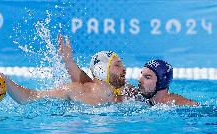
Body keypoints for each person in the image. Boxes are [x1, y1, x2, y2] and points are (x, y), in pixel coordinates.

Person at [58, 34, 199, 106]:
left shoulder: (173, 103)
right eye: (142, 75)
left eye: (147, 77)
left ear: (161, 82)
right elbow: (92, 86)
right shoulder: (132, 94)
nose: (140, 79)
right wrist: (69, 61)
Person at [3, 35, 135, 105]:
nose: (124, 68)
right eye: (117, 65)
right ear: (101, 70)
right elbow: (30, 97)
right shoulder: (76, 91)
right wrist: (5, 81)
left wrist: (69, 62)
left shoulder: (126, 96)